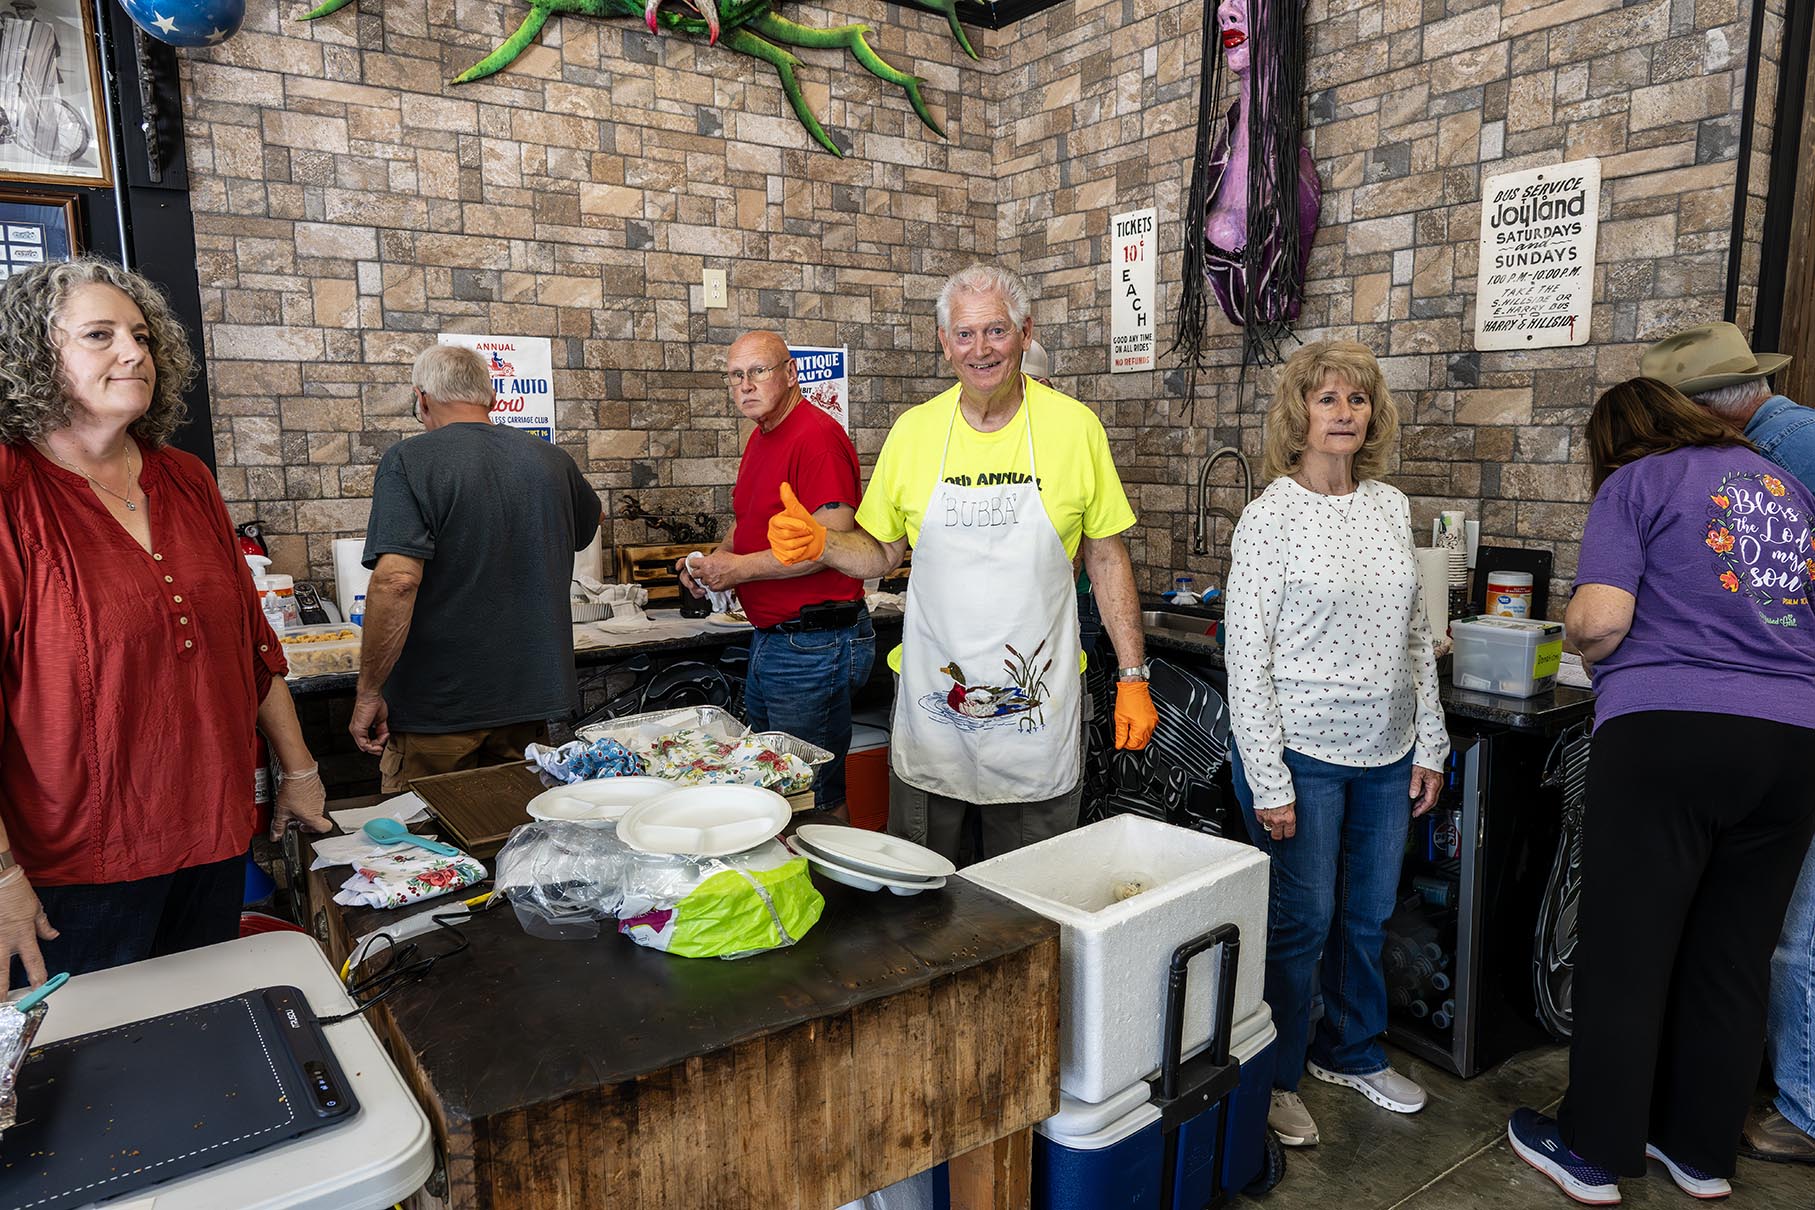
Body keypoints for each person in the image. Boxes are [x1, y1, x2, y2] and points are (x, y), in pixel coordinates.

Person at [1507, 378, 1815, 1204]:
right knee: (1733, 956)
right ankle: (1700, 1152)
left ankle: (1592, 1149)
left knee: (1627, 950)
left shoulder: (1635, 481)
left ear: (1614, 440)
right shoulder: (1784, 488)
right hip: (1794, 743)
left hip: (1670, 732)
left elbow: (1600, 621)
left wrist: (1578, 631)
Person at [0, 257, 331, 989]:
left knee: (204, 1023)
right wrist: (1, 877)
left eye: (142, 336)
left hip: (212, 835)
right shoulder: (12, 494)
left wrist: (300, 771)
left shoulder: (185, 478)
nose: (133, 353)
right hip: (72, 871)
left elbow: (252, 646)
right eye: (100, 335)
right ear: (31, 356)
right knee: (91, 1053)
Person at [766, 262, 1156, 862]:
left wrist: (1133, 677)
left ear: (1024, 333)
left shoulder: (1075, 429)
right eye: (966, 334)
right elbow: (882, 550)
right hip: (935, 712)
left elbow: (1105, 557)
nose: (982, 349)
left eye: (996, 330)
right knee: (922, 881)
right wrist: (823, 544)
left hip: (1036, 710)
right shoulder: (914, 432)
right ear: (945, 343)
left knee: (1031, 883)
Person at [1223, 339, 1447, 1149]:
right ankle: (1277, 1077)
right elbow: (1245, 655)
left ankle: (1349, 1052)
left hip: (1387, 752)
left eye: (1356, 399)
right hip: (1302, 756)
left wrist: (1431, 741)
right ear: (1299, 414)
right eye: (1327, 399)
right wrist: (1267, 778)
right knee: (1301, 923)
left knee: (1368, 915)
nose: (1344, 413)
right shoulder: (1270, 516)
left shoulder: (1388, 506)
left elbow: (1415, 634)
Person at [1640, 322, 1815, 1165]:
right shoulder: (1785, 442)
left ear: (1701, 409)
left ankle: (1803, 1110)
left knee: (1793, 931)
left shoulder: (1780, 455)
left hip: (1772, 717)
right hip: (1777, 723)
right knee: (1755, 928)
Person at [350, 344, 602, 792]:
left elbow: (397, 581)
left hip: (439, 708)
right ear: (492, 399)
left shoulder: (408, 460)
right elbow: (590, 520)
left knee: (431, 832)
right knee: (515, 826)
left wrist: (369, 690)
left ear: (422, 399)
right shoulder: (553, 460)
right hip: (529, 704)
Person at [675, 332, 873, 816]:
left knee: (812, 795)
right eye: (735, 375)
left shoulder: (816, 437)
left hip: (815, 643)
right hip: (776, 639)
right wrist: (713, 563)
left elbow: (830, 542)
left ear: (790, 374)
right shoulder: (762, 436)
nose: (745, 385)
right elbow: (750, 522)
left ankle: (829, 868)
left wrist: (738, 569)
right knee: (776, 788)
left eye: (758, 371)